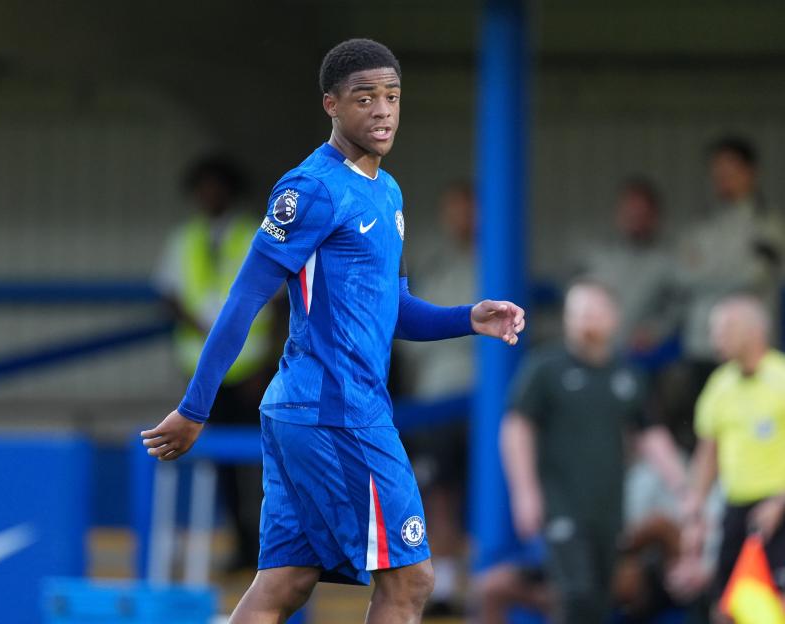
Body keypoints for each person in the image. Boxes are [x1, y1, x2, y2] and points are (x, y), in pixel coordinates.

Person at [141, 38, 525, 624]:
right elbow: (244, 301)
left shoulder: (387, 191)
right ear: (331, 105)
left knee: (286, 583)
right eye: (364, 97)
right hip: (336, 412)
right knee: (411, 577)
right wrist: (196, 407)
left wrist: (464, 318)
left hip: (313, 411)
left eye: (392, 97)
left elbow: (391, 309)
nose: (382, 111)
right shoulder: (311, 190)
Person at [483, 279, 685, 624]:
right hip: (561, 504)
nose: (585, 319)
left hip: (609, 508)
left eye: (593, 311)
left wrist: (684, 487)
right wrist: (524, 491)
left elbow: (650, 435)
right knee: (576, 594)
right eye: (577, 312)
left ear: (614, 318)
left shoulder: (628, 374)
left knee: (599, 598)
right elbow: (516, 428)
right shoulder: (545, 368)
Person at [153, 154, 274, 569]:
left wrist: (268, 364)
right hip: (202, 371)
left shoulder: (254, 233)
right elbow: (168, 294)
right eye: (202, 187)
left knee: (263, 462)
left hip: (250, 370)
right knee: (219, 464)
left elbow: (278, 303)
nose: (209, 194)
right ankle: (240, 546)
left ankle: (269, 548)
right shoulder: (183, 239)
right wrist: (205, 332)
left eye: (216, 185)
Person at [670, 137, 784, 448]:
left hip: (752, 349)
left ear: (751, 172)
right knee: (705, 432)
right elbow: (681, 276)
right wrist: (733, 272)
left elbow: (757, 275)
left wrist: (705, 272)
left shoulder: (769, 225)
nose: (722, 178)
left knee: (752, 436)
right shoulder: (699, 225)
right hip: (701, 344)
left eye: (731, 170)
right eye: (717, 171)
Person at [681, 295, 785, 622]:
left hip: (779, 509)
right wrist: (694, 510)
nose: (716, 337)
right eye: (714, 329)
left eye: (726, 328)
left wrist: (780, 502)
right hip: (736, 509)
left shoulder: (781, 377)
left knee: (775, 605)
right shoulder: (719, 385)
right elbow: (708, 453)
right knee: (726, 606)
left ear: (755, 331)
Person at [399, 180, 477, 616]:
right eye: (452, 209)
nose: (458, 217)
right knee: (436, 490)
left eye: (466, 207)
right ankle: (444, 584)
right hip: (433, 399)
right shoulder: (436, 265)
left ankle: (480, 579)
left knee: (478, 493)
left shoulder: (499, 259)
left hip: (478, 399)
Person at [576, 176, 677, 355]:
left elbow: (678, 308)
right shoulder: (598, 256)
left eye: (641, 214)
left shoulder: (666, 262)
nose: (634, 219)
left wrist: (655, 331)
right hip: (594, 354)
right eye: (629, 213)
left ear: (654, 217)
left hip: (641, 360)